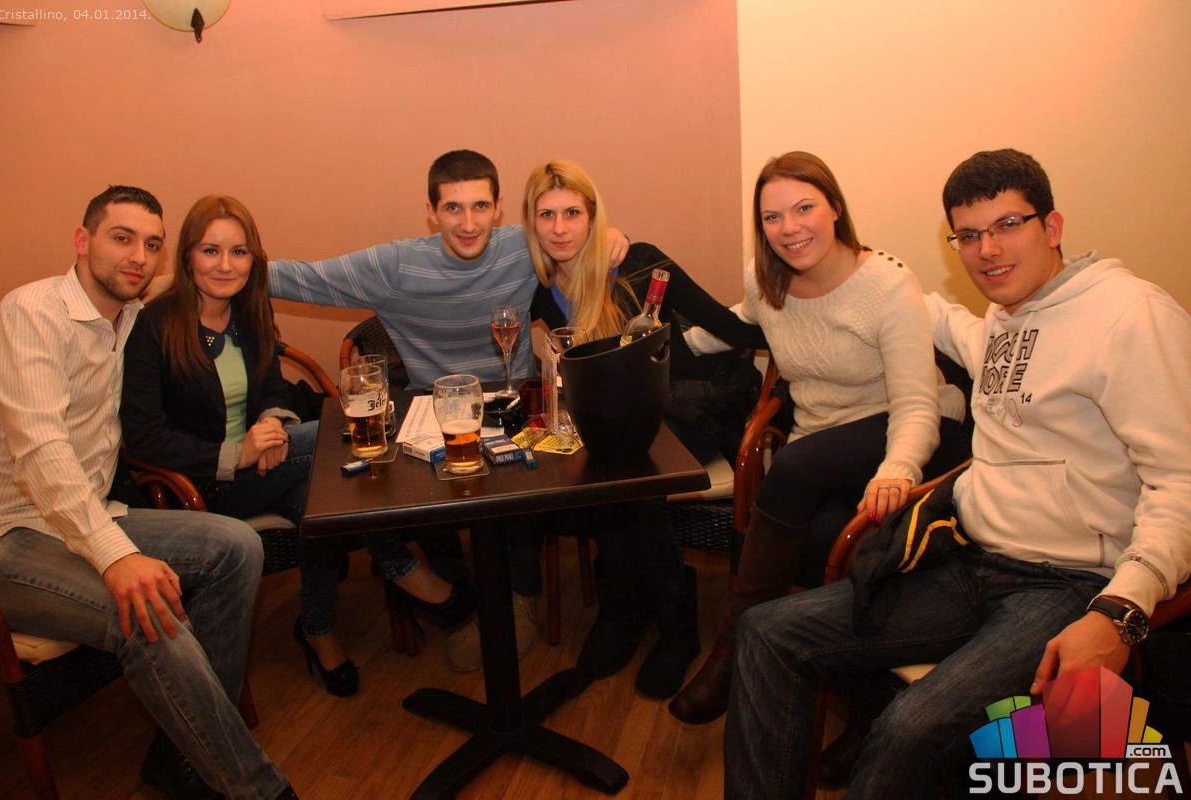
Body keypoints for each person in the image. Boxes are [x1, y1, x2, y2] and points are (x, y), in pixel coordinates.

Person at [723, 149, 1191, 798]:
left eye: (1007, 226)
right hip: (972, 562)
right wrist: (855, 271)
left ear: (1053, 227)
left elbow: (1181, 483)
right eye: (968, 236)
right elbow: (935, 318)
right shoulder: (1003, 317)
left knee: (911, 729)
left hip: (1069, 584)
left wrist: (1120, 612)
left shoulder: (1129, 316)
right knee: (766, 631)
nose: (987, 250)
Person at [265, 150, 628, 671]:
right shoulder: (394, 266)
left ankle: (520, 597)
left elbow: (578, 234)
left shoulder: (525, 246)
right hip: (435, 417)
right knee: (423, 494)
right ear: (432, 212)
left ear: (499, 208)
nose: (468, 223)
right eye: (453, 208)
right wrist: (191, 275)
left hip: (512, 407)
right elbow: (297, 277)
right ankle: (466, 601)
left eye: (480, 206)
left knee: (526, 489)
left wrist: (614, 238)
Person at [0, 186, 297, 800]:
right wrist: (116, 556)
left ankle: (182, 757)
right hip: (11, 533)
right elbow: (42, 454)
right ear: (82, 241)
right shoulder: (32, 312)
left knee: (238, 547)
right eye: (121, 238)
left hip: (89, 515)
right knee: (146, 611)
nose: (137, 256)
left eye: (151, 244)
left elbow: (203, 293)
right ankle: (257, 790)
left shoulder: (130, 317)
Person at [121, 195, 470, 697]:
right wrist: (236, 454)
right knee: (335, 438)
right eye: (210, 251)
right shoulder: (154, 325)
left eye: (239, 252)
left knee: (322, 494)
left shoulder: (249, 311)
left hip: (269, 466)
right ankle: (405, 571)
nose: (225, 265)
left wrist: (272, 422)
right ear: (188, 256)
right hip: (201, 488)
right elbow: (143, 435)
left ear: (254, 259)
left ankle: (319, 630)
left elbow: (273, 387)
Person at [669, 151, 971, 725]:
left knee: (791, 468)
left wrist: (898, 469)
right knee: (822, 539)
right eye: (772, 217)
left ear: (835, 208)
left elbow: (917, 406)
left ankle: (731, 652)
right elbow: (744, 322)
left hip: (909, 433)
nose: (789, 228)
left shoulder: (886, 287)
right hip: (823, 450)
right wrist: (670, 345)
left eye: (804, 208)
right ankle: (858, 706)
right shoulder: (766, 280)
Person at [523, 159, 767, 697]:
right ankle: (629, 609)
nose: (560, 228)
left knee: (627, 471)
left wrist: (804, 326)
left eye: (572, 213)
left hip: (685, 412)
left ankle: (672, 625)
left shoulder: (640, 264)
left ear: (593, 217)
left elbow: (730, 326)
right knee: (606, 461)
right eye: (547, 215)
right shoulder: (541, 290)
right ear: (531, 222)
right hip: (609, 424)